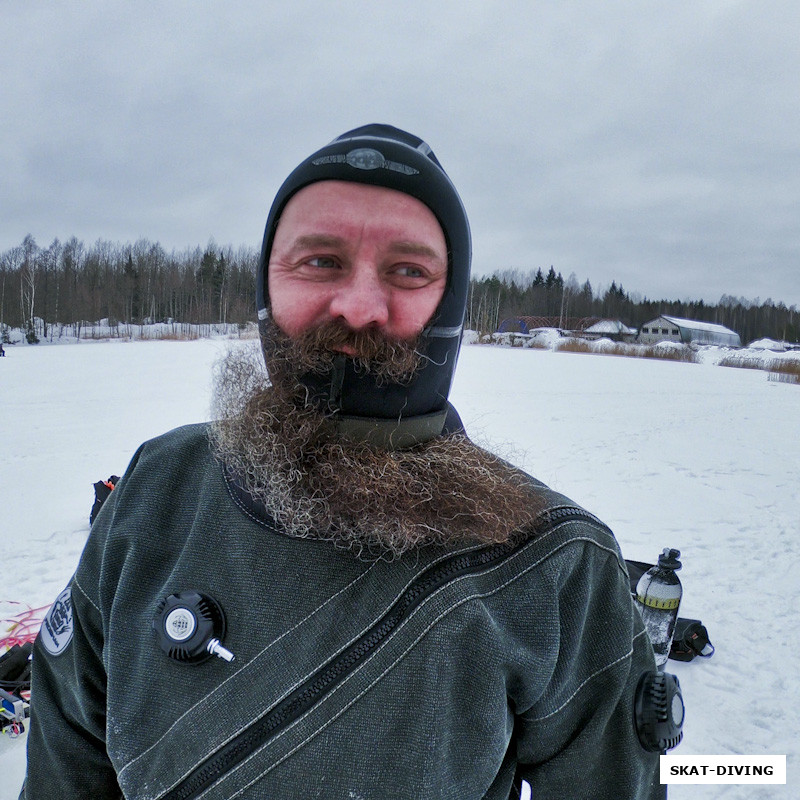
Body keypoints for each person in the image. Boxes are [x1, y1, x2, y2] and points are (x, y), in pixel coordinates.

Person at [21, 125, 665, 799]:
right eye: (321, 262)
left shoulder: (554, 561)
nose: (359, 307)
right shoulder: (158, 488)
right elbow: (66, 768)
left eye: (408, 271)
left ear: (451, 301)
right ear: (268, 285)